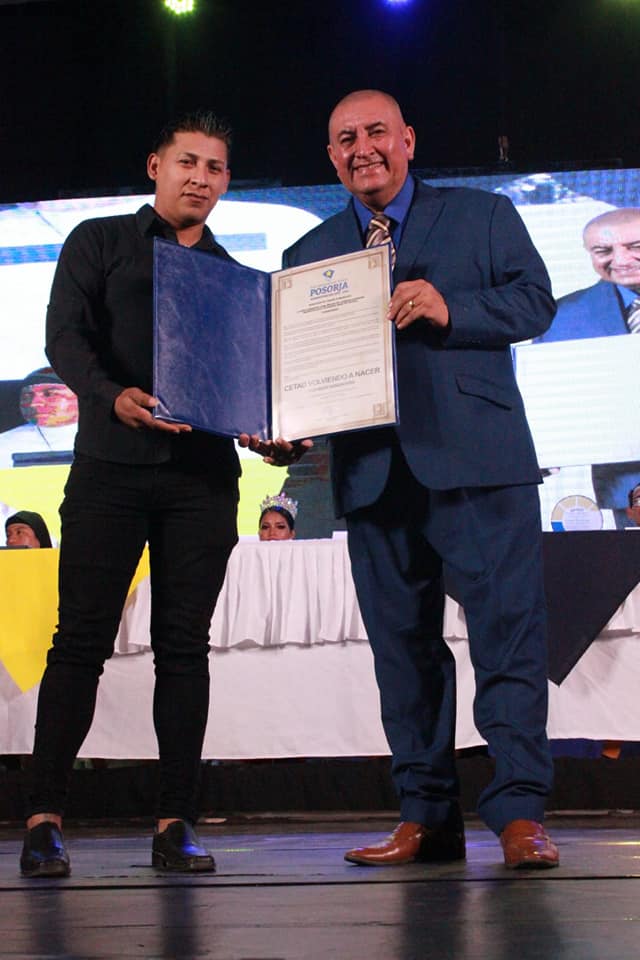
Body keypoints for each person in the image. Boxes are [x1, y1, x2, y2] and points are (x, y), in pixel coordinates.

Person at [19, 110, 305, 880]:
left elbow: (252, 387)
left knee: (184, 649)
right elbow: (64, 338)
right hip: (109, 471)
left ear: (227, 181)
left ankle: (176, 821)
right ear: (156, 165)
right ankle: (43, 820)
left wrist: (271, 433)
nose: (199, 179)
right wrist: (110, 396)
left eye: (215, 168)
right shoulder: (100, 242)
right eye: (187, 162)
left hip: (201, 483)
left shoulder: (237, 280)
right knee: (79, 642)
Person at [280, 89, 559, 869]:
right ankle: (426, 816)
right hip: (371, 474)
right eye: (345, 139)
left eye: (376, 131)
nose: (362, 148)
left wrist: (449, 306)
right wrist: (284, 426)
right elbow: (299, 372)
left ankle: (519, 815)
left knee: (507, 638)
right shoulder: (307, 254)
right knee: (402, 655)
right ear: (330, 157)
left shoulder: (483, 215)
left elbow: (536, 304)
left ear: (408, 138)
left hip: (480, 464)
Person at [536, 208, 640, 527]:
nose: (620, 260)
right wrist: (544, 448)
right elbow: (548, 399)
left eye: (635, 246)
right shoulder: (563, 316)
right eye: (603, 250)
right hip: (628, 488)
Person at [0, 367, 78, 468]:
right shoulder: (4, 444)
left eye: (49, 394)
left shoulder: (97, 439)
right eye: (27, 396)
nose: (34, 403)